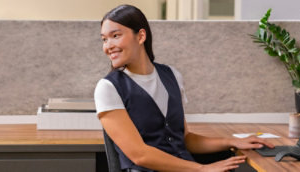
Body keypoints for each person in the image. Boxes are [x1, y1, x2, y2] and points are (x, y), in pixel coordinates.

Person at [94, 4, 274, 172]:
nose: (108, 46)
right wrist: (202, 169)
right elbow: (139, 155)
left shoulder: (171, 75)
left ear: (140, 36)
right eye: (104, 39)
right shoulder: (108, 88)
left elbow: (185, 138)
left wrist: (231, 142)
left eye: (115, 36)